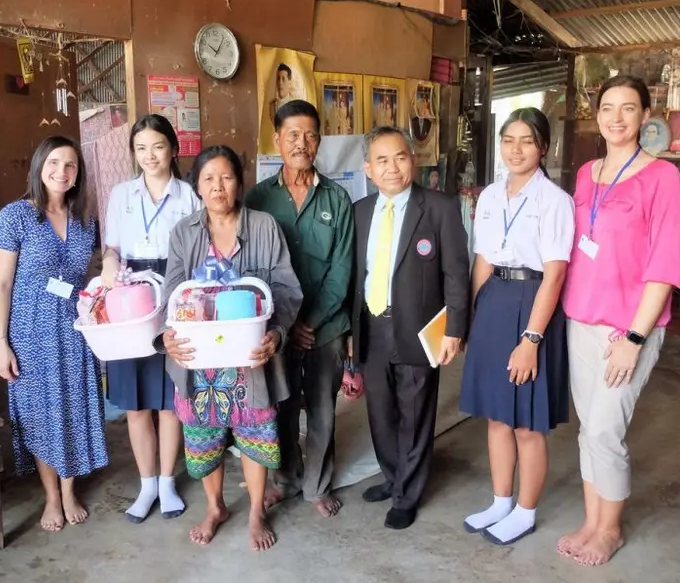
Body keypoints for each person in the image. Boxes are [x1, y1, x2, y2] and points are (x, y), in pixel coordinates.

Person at [556, 75, 680, 566]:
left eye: (628, 108)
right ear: (597, 114)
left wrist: (635, 336)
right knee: (590, 427)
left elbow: (666, 264)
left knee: (606, 429)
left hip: (628, 328)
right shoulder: (588, 172)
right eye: (607, 107)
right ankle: (591, 521)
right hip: (581, 321)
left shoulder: (663, 179)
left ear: (645, 115)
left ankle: (609, 530)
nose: (616, 117)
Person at [156, 145, 303, 551]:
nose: (218, 186)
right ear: (197, 186)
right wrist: (168, 335)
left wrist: (276, 334)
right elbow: (171, 292)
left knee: (255, 430)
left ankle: (256, 509)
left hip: (249, 359)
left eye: (226, 177)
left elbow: (287, 288)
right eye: (208, 179)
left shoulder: (264, 226)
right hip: (198, 361)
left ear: (239, 183)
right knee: (203, 436)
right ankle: (216, 506)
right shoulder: (184, 233)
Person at [459, 108, 574, 545]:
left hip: (533, 303)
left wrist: (531, 339)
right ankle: (500, 501)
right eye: (509, 140)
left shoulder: (555, 201)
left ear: (543, 147)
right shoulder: (489, 197)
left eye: (526, 140)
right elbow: (483, 260)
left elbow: (556, 273)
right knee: (495, 417)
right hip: (493, 302)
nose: (516, 149)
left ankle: (525, 511)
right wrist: (469, 318)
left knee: (526, 422)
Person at [349, 125, 470, 530]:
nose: (392, 168)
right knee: (380, 412)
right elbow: (356, 275)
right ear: (368, 168)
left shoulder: (438, 207)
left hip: (420, 329)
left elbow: (456, 271)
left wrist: (455, 328)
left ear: (412, 160)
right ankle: (392, 476)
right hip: (372, 325)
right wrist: (351, 331)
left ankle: (408, 494)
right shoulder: (360, 211)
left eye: (400, 157)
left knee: (415, 413)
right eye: (381, 160)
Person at [0, 135, 108, 532]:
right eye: (54, 163)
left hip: (74, 331)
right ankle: (52, 497)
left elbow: (87, 273)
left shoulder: (85, 219)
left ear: (79, 174)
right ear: (39, 166)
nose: (62, 172)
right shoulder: (14, 217)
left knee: (73, 410)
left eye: (71, 165)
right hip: (30, 334)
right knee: (42, 416)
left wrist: (109, 263)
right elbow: (2, 284)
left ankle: (70, 490)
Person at [246, 100, 354, 518]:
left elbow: (342, 269)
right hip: (277, 328)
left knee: (324, 410)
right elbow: (254, 266)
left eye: (309, 135)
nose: (301, 143)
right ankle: (286, 480)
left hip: (324, 328)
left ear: (319, 141)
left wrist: (310, 321)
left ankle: (316, 486)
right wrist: (288, 324)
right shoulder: (258, 198)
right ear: (277, 140)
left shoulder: (337, 198)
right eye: (292, 134)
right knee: (282, 406)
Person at [101, 114, 200, 523]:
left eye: (157, 146)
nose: (149, 156)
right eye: (141, 148)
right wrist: (108, 265)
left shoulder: (189, 196)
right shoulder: (120, 194)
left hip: (174, 295)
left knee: (169, 401)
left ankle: (168, 483)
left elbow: (198, 251)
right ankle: (145, 488)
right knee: (137, 405)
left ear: (173, 149)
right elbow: (112, 249)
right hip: (130, 300)